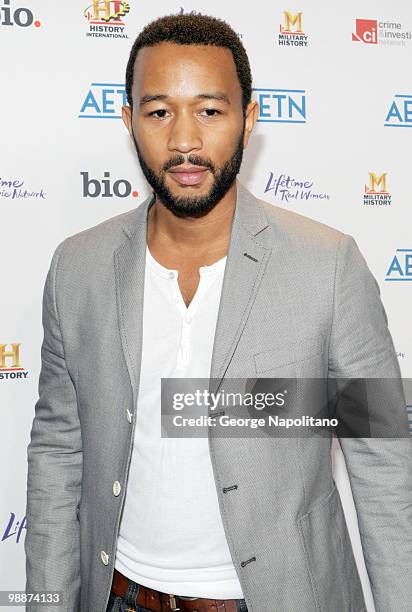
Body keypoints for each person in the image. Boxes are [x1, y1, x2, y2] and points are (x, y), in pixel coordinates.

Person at [25, 12, 411, 612]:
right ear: (128, 122)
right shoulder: (78, 267)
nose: (184, 140)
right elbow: (57, 451)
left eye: (209, 110)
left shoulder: (328, 264)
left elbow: (384, 463)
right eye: (158, 112)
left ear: (249, 117)